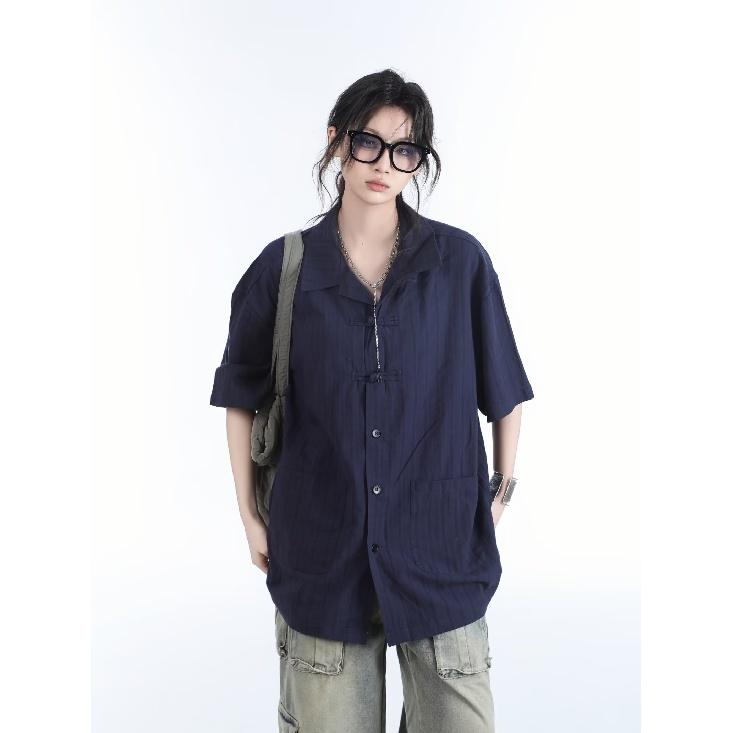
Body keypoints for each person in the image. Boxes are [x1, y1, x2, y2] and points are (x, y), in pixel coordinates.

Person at [209, 69, 534, 733]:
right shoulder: (284, 269)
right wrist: (248, 514)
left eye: (404, 150)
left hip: (442, 555)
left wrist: (500, 494)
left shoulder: (458, 263)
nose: (384, 164)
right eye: (368, 143)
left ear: (419, 161)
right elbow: (239, 395)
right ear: (336, 142)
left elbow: (504, 393)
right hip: (320, 557)